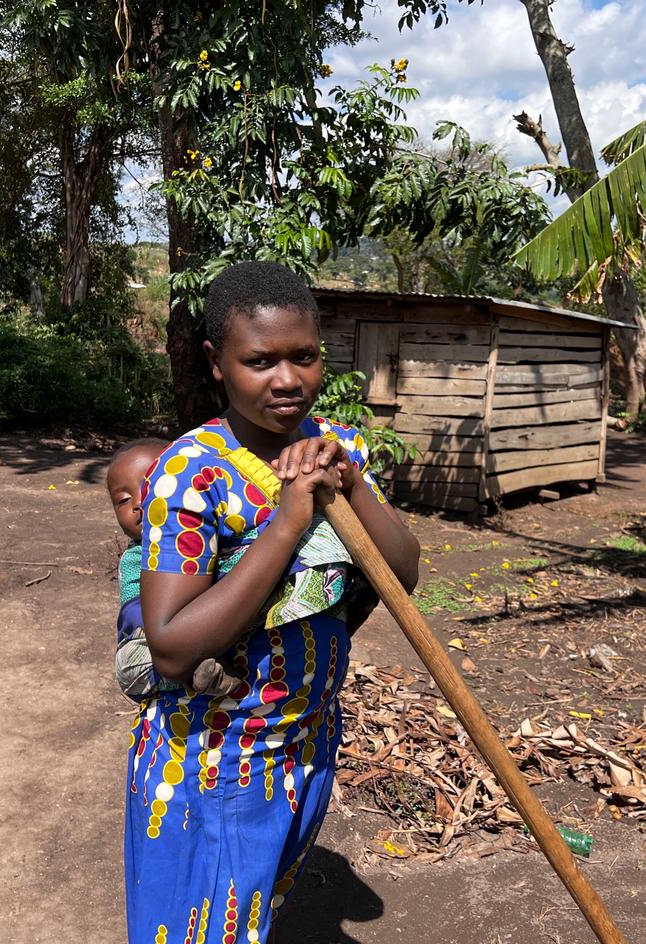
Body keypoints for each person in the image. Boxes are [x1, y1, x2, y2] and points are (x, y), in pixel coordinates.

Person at [125, 261, 420, 944]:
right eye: (260, 360)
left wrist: (349, 486)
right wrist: (288, 521)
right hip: (218, 758)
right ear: (217, 362)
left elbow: (400, 576)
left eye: (304, 357)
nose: (287, 379)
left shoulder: (336, 445)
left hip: (307, 741)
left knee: (249, 919)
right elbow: (169, 643)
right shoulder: (193, 473)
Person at [107, 440, 243, 700]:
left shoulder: (208, 536)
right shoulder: (136, 557)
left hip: (213, 622)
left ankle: (200, 671)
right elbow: (135, 612)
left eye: (152, 486)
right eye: (123, 500)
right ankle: (195, 674)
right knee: (127, 668)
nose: (139, 502)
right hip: (155, 641)